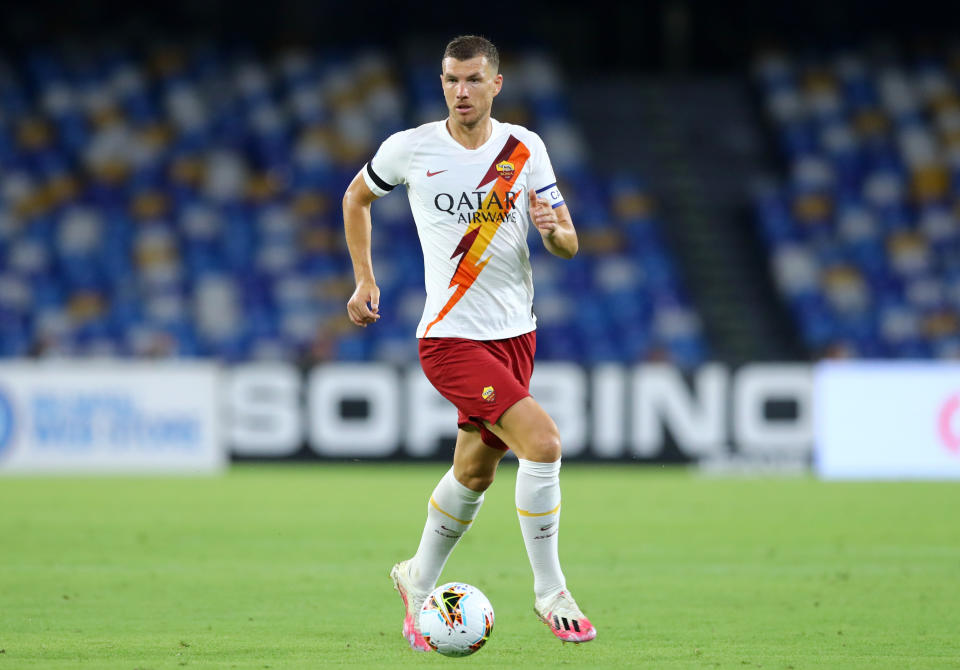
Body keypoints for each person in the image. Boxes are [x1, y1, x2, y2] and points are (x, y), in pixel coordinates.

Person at [341, 34, 596, 651]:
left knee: (475, 472)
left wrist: (553, 232)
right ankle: (550, 591)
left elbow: (568, 243)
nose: (461, 91)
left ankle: (417, 577)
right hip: (451, 339)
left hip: (516, 335)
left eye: (474, 80)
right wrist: (364, 278)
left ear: (496, 84)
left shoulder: (525, 149)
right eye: (452, 80)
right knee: (543, 442)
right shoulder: (411, 149)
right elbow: (356, 197)